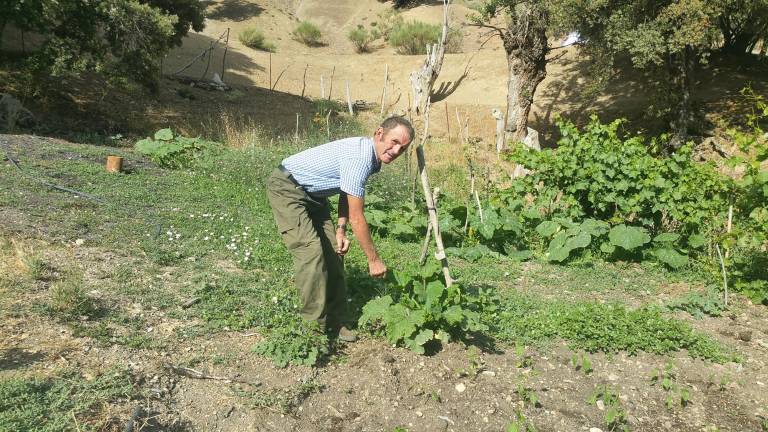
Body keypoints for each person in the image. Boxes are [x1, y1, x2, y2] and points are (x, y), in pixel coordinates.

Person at [266, 116, 414, 342]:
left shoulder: (371, 157)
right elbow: (358, 217)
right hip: (288, 188)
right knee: (311, 253)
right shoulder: (360, 157)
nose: (395, 150)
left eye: (402, 149)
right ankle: (314, 329)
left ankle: (336, 321)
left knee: (334, 252)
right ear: (379, 133)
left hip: (314, 197)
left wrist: (340, 229)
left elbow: (347, 190)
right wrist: (373, 259)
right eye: (393, 142)